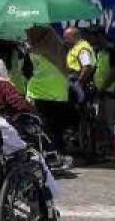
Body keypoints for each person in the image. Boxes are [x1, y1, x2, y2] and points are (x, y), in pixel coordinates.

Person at [25, 25, 74, 166]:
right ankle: (61, 154)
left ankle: (49, 155)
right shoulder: (60, 49)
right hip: (60, 94)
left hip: (39, 93)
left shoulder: (33, 53)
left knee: (43, 127)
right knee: (57, 127)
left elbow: (26, 72)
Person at [87, 26, 115, 131]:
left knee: (114, 124)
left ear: (99, 36)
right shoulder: (101, 51)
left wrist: (102, 87)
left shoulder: (111, 49)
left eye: (91, 37)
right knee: (103, 122)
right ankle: (108, 146)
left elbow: (114, 72)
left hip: (112, 92)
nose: (89, 40)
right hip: (104, 92)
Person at [64, 26, 96, 102]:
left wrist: (79, 83)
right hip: (72, 82)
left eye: (67, 38)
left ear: (75, 36)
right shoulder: (74, 47)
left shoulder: (82, 48)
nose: (65, 40)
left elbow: (87, 67)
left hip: (78, 83)